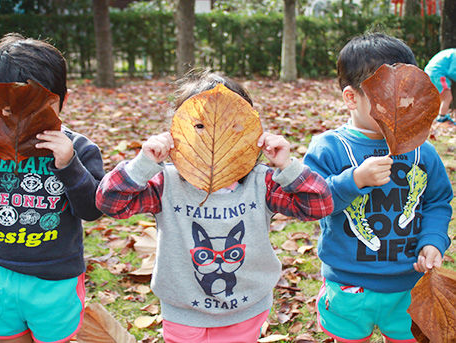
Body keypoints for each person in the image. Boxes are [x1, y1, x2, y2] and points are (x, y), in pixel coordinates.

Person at [96, 70, 334, 343]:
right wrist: (143, 164)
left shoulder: (262, 182)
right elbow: (110, 203)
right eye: (199, 125)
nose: (215, 134)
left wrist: (287, 166)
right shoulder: (165, 182)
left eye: (233, 124)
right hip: (182, 311)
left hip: (246, 309)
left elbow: (320, 205)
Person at [0, 33, 105, 343]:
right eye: (10, 107)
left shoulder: (79, 150)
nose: (23, 117)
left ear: (63, 100)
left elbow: (92, 210)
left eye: (37, 106)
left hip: (54, 278)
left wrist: (69, 165)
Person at [303, 33, 453, 343]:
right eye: (383, 96)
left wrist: (433, 241)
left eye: (403, 93)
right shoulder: (330, 148)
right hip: (348, 285)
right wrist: (354, 180)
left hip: (409, 284)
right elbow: (310, 201)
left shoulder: (421, 151)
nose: (396, 104)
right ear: (351, 97)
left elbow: (438, 200)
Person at [424, 48, 456, 124]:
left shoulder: (451, 52)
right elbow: (452, 72)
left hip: (430, 72)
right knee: (447, 97)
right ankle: (442, 118)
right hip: (437, 74)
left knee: (440, 98)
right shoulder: (454, 55)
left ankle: (437, 116)